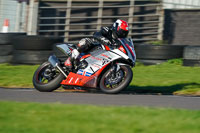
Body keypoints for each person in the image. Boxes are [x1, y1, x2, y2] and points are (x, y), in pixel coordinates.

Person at [65, 19, 129, 68]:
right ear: (116, 27)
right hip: (92, 46)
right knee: (87, 42)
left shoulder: (118, 42)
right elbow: (96, 34)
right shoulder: (107, 30)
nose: (122, 34)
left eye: (125, 33)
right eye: (122, 31)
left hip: (101, 55)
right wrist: (106, 40)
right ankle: (70, 59)